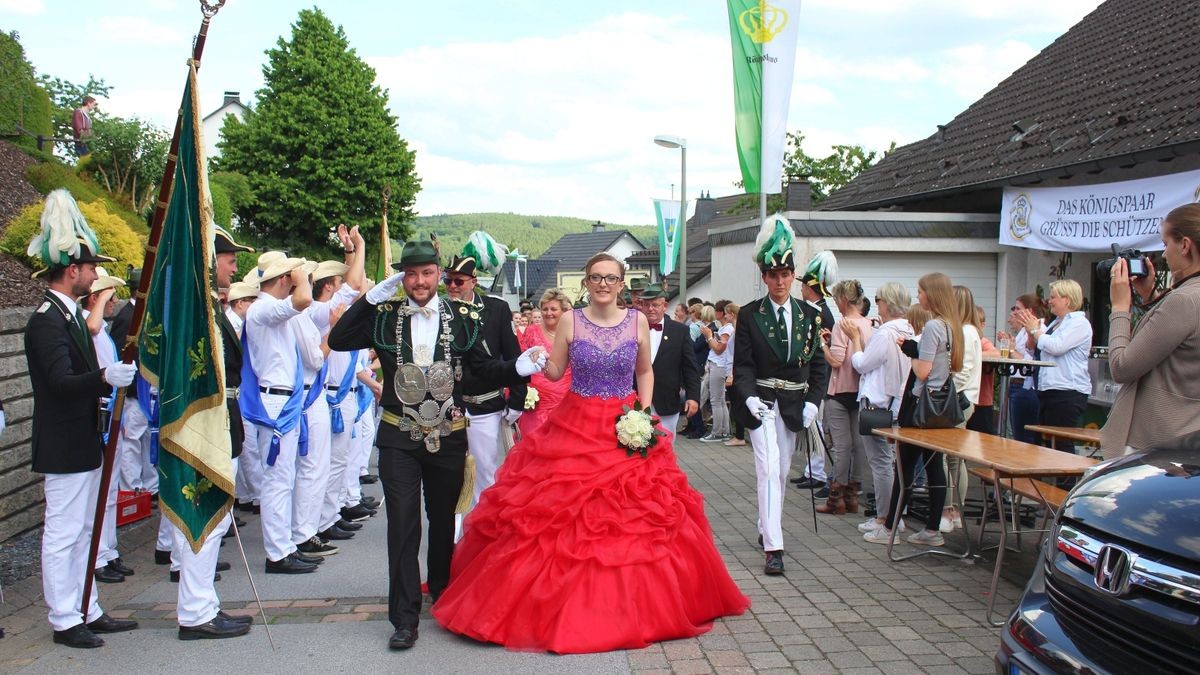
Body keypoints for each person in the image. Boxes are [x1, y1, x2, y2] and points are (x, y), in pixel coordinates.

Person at [431, 252, 749, 653]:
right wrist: (531, 363)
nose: (603, 284)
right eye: (596, 277)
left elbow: (644, 371)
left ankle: (637, 605)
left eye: (611, 278)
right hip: (576, 423)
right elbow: (555, 373)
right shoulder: (570, 320)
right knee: (557, 514)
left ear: (621, 284)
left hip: (624, 423)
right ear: (586, 282)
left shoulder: (636, 321)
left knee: (639, 513)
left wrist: (643, 413)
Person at [327, 240, 542, 651]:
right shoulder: (385, 316)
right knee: (404, 525)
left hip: (447, 435)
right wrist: (372, 296)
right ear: (402, 277)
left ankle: (443, 594)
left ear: (439, 275)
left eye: (427, 273)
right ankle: (404, 617)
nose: (419, 282)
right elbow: (339, 339)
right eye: (411, 274)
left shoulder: (463, 316)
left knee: (443, 522)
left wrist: (517, 367)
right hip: (397, 437)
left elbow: (478, 375)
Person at [25, 189, 138, 648]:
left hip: (81, 438)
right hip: (63, 442)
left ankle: (86, 606)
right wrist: (104, 378)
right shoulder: (46, 320)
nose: (95, 276)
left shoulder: (67, 315)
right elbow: (58, 382)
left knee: (85, 530)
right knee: (64, 533)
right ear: (72, 270)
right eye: (91, 268)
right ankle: (64, 618)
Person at [731, 217, 829, 575]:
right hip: (762, 402)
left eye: (786, 274)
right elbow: (742, 366)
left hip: (793, 405)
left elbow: (819, 366)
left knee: (782, 472)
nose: (780, 281)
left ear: (793, 275)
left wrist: (813, 403)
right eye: (774, 275)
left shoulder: (810, 316)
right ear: (764, 277)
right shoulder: (750, 315)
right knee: (768, 470)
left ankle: (765, 526)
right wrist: (747, 397)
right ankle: (774, 546)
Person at [868, 273, 962, 547]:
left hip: (920, 405)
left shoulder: (933, 326)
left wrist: (912, 350)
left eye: (921, 291)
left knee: (905, 468)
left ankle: (890, 527)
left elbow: (923, 370)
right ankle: (932, 529)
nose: (917, 296)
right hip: (940, 407)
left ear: (931, 294)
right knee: (934, 469)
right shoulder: (951, 325)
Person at [1102, 203, 1200, 458]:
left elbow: (1122, 367)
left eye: (1166, 244)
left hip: (1156, 445)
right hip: (1187, 439)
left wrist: (1120, 306)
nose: (1164, 255)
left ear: (1185, 245)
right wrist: (1151, 295)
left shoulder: (1184, 300)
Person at [442, 232, 526, 509]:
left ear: (473, 282)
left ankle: (480, 534)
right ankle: (452, 535)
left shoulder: (496, 310)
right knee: (447, 476)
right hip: (447, 407)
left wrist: (516, 400)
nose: (452, 286)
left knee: (485, 474)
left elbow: (514, 358)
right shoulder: (439, 311)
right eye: (448, 281)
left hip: (484, 405)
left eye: (458, 281)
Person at [844, 282, 913, 535]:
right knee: (892, 464)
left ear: (887, 303)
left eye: (879, 299)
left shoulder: (885, 333)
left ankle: (886, 518)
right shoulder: (908, 328)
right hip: (896, 402)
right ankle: (895, 516)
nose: (878, 304)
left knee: (881, 463)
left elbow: (862, 364)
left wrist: (856, 342)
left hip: (878, 403)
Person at [1017, 279, 1092, 454]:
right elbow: (1038, 347)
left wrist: (1036, 331)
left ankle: (1065, 482)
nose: (1049, 301)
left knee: (1061, 445)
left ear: (1067, 299)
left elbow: (1057, 347)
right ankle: (1047, 481)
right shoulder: (1057, 322)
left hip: (1067, 391)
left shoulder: (1079, 323)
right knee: (1046, 444)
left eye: (1053, 297)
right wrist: (1032, 331)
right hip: (1049, 390)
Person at [816, 279, 872, 516]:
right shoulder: (870, 324)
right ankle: (852, 496)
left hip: (839, 390)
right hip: (861, 391)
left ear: (842, 299)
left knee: (842, 446)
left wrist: (823, 346)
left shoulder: (842, 324)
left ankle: (835, 498)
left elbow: (837, 360)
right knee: (857, 446)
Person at [791, 251, 838, 494]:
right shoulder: (815, 310)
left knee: (816, 424)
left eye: (803, 287)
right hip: (810, 376)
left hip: (818, 378)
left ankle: (818, 472)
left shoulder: (820, 313)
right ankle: (811, 470)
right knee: (810, 425)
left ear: (811, 289)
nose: (801, 290)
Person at [638, 283, 701, 437]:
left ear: (664, 306)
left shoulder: (680, 331)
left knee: (665, 449)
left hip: (666, 401)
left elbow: (690, 367)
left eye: (655, 305)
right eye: (646, 305)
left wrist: (693, 397)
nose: (650, 308)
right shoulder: (632, 329)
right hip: (635, 401)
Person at [517, 288, 573, 437]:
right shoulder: (531, 331)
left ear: (563, 311)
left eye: (553, 309)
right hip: (538, 398)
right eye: (545, 309)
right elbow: (520, 362)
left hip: (566, 397)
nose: (548, 313)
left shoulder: (572, 333)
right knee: (535, 440)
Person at [998, 294, 1045, 443]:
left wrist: (1011, 350)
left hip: (1025, 385)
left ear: (1029, 311)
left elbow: (1029, 361)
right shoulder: (1025, 331)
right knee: (1019, 434)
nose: (1015, 312)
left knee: (1024, 436)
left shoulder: (1038, 329)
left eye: (1018, 308)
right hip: (1017, 383)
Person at [698, 302, 733, 442]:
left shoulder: (727, 329)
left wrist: (708, 336)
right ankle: (724, 431)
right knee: (721, 401)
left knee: (716, 401)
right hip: (717, 364)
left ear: (721, 313)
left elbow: (719, 349)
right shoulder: (724, 327)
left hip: (719, 365)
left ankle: (717, 432)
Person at [721, 303, 747, 447]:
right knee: (737, 404)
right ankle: (738, 435)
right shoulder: (736, 330)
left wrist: (731, 374)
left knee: (738, 404)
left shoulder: (738, 331)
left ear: (731, 314)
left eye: (726, 313)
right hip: (732, 370)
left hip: (734, 372)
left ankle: (740, 436)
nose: (725, 316)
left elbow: (735, 355)